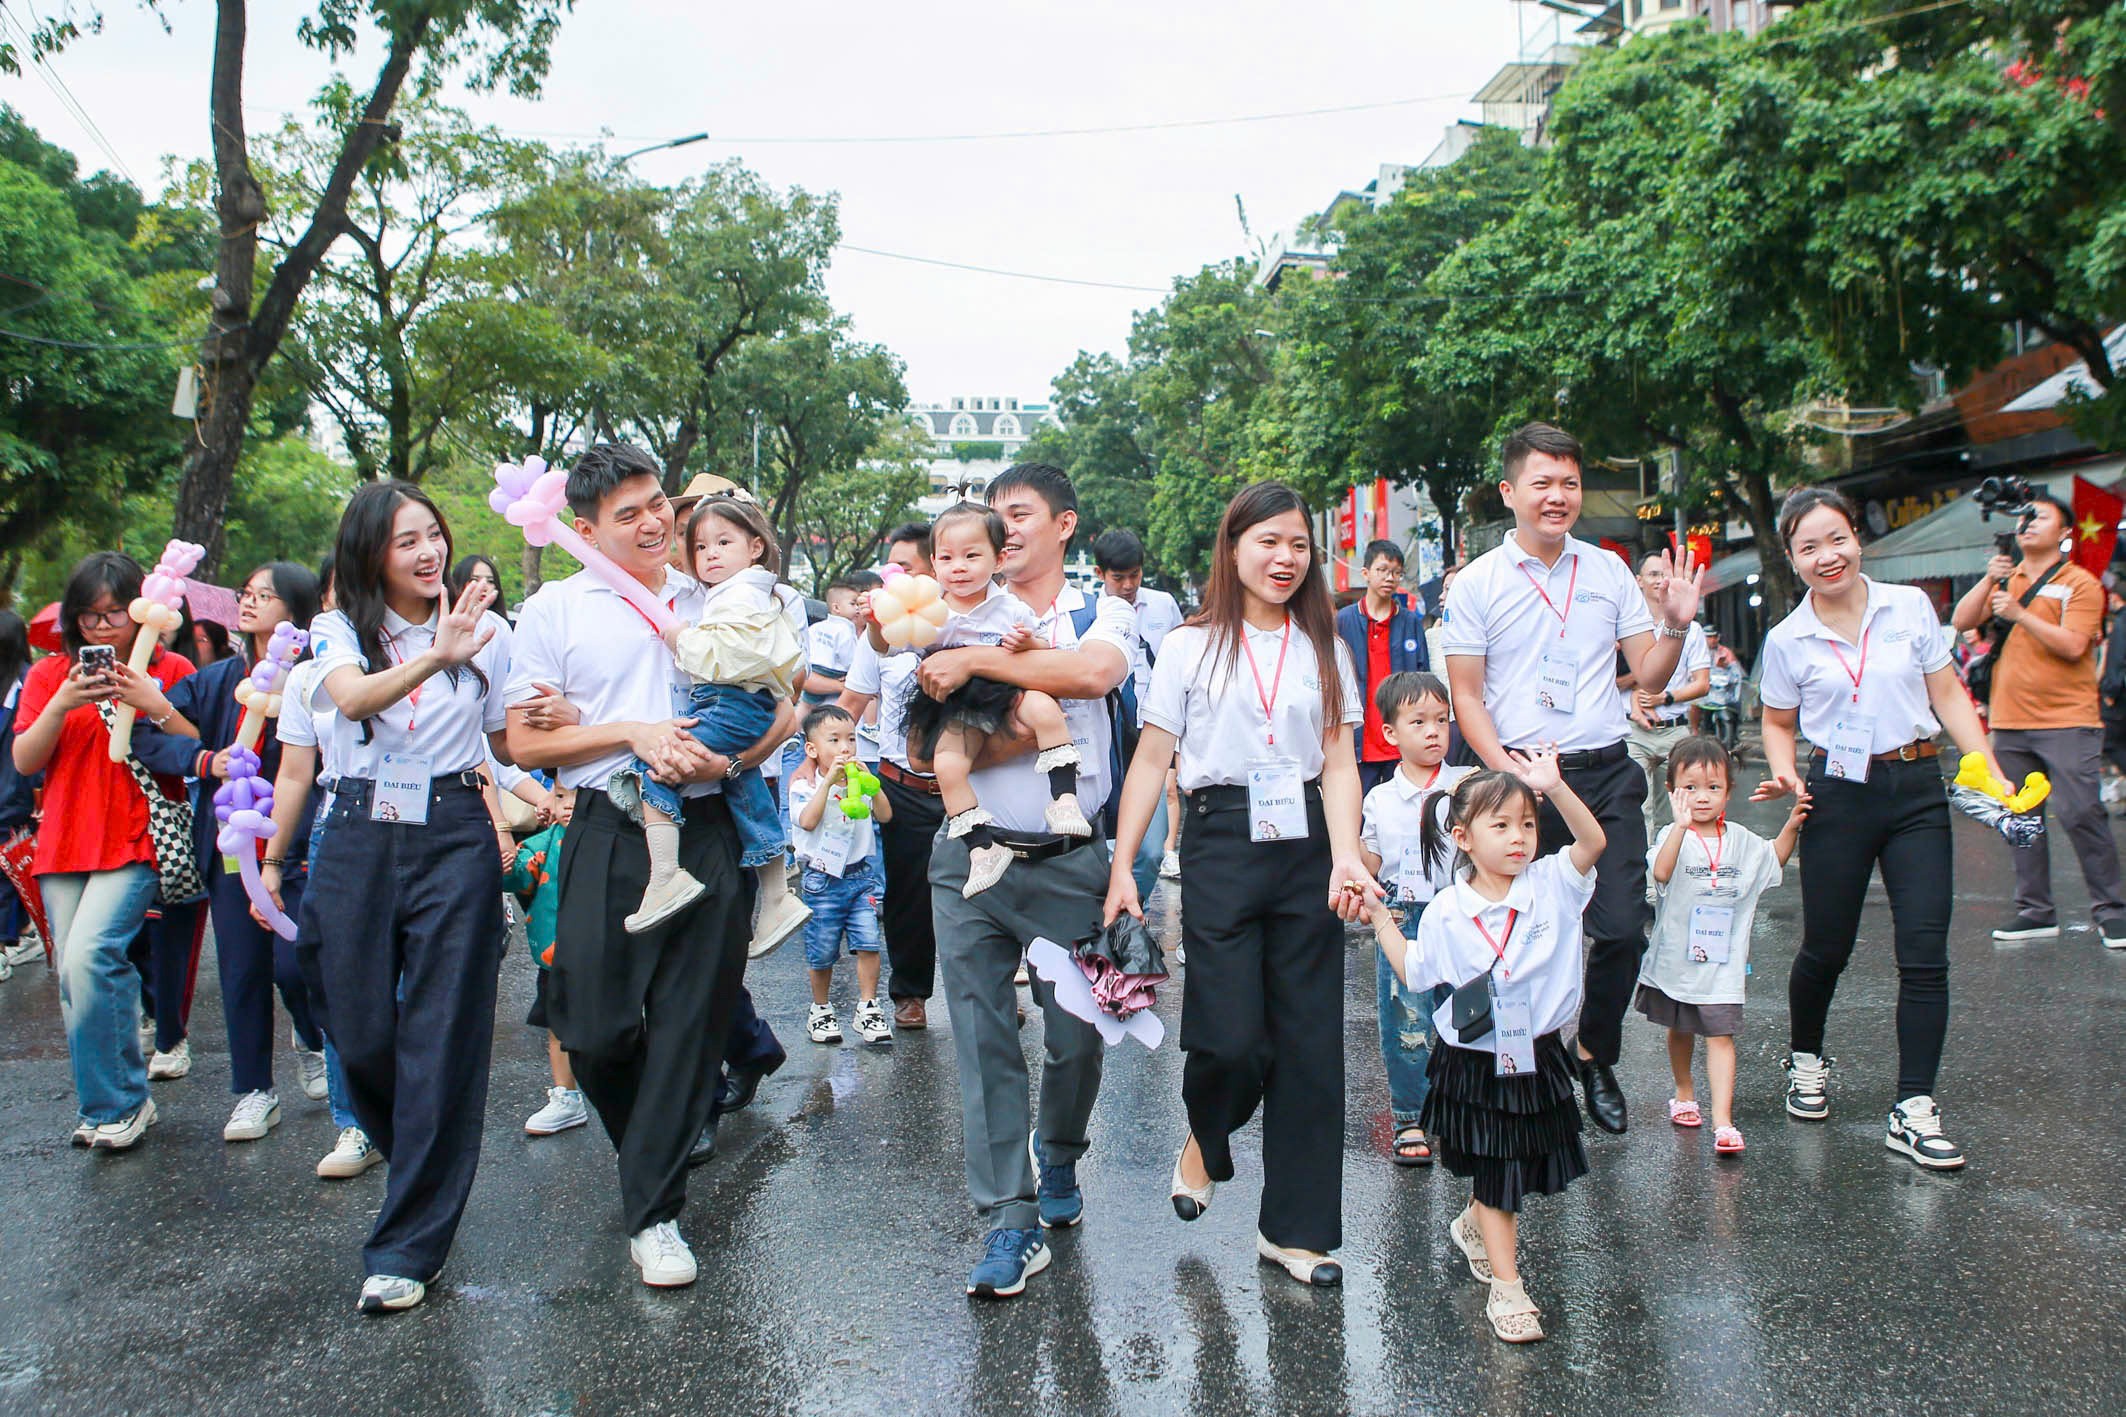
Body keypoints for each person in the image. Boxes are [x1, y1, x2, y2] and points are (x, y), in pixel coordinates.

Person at [505, 444, 793, 1291]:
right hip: (606, 823)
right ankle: (652, 1155)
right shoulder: (556, 608)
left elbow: (783, 707)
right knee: (590, 1024)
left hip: (708, 827)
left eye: (657, 501)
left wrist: (728, 764)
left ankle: (656, 1212)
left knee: (691, 1023)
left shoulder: (722, 591)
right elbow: (525, 741)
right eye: (627, 512)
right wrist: (628, 731)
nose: (653, 520)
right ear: (586, 530)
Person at [1106, 481, 1374, 1289]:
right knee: (1228, 1034)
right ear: (1233, 548)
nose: (1285, 558)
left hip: (1305, 839)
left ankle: (1295, 1231)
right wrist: (1124, 867)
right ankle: (1207, 1135)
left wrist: (1349, 853)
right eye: (1269, 542)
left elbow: (1337, 762)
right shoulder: (1188, 646)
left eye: (1298, 544)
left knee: (1307, 1043)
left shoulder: (1324, 645)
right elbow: (1152, 759)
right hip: (1221, 836)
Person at [1441, 423, 1703, 1135]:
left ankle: (1592, 1050)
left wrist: (1675, 627)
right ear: (1510, 491)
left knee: (1621, 928)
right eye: (1542, 482)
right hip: (1517, 782)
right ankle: (1516, 1070)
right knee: (1517, 936)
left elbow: (1648, 673)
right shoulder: (1478, 584)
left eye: (1569, 483)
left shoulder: (1609, 571)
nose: (1558, 497)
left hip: (1603, 772)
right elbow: (1467, 694)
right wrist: (1506, 778)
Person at [915, 462, 1133, 1299]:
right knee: (981, 1036)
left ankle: (1060, 1155)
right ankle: (1009, 1219)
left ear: (1061, 525)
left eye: (1017, 516)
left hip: (1070, 857)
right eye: (987, 520)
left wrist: (977, 664)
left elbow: (1089, 676)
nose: (998, 534)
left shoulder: (1095, 608)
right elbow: (920, 731)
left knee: (1078, 1033)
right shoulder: (943, 613)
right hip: (968, 858)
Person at [298, 480, 515, 1312]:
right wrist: (436, 653)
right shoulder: (335, 629)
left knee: (445, 1031)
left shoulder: (492, 632)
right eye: (405, 542)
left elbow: (503, 738)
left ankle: (407, 1245)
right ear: (369, 555)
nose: (429, 553)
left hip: (454, 822)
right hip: (357, 823)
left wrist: (562, 737)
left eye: (435, 535)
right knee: (357, 1029)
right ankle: (418, 1154)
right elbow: (352, 698)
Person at [1752, 485, 2004, 1171]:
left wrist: (1988, 768)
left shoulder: (1910, 606)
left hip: (1917, 788)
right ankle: (1806, 1057)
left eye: (1837, 538)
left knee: (1925, 951)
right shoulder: (1786, 638)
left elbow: (1947, 691)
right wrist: (1786, 773)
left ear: (1857, 537)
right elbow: (1778, 722)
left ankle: (1913, 1108)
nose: (1827, 556)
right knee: (1826, 946)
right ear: (1792, 557)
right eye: (1809, 547)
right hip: (1837, 792)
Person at [1368, 756, 1602, 1344]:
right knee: (1498, 1169)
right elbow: (1417, 972)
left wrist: (1555, 787)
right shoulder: (1448, 909)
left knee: (1522, 1162)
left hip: (1539, 1051)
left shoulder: (1553, 882)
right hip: (1474, 1059)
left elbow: (1593, 841)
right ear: (1462, 837)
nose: (1518, 838)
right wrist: (1378, 916)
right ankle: (1508, 1287)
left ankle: (1474, 1224)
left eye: (1526, 824)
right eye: (1500, 826)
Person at [133, 562, 333, 1144]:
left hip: (297, 843)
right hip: (231, 846)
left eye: (263, 596)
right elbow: (150, 737)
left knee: (295, 965)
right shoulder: (217, 678)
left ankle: (310, 1034)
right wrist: (206, 760)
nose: (248, 604)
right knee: (243, 968)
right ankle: (254, 1091)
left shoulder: (317, 678)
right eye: (245, 594)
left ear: (295, 611)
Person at [11, 552, 198, 1151]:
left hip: (136, 833)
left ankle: (123, 1102)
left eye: (114, 613)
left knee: (92, 956)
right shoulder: (49, 677)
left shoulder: (169, 665)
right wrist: (63, 703)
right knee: (74, 973)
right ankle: (102, 1104)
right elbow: (23, 762)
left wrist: (152, 699)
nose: (102, 629)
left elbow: (199, 749)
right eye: (89, 618)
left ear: (141, 608)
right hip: (64, 839)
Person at [606, 496, 806, 942]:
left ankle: (666, 876)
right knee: (744, 787)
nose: (710, 554)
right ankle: (777, 897)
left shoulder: (739, 596)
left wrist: (680, 638)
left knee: (658, 766)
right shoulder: (756, 592)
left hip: (729, 702)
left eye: (723, 541)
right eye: (699, 546)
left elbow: (728, 657)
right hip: (749, 705)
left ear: (755, 546)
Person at [1948, 492, 2126, 947]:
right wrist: (1990, 580)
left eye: (2040, 517)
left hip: (2068, 719)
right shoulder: (2005, 578)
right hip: (2010, 721)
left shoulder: (2081, 583)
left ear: (2066, 533)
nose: (2028, 523)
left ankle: (2112, 911)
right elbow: (1962, 619)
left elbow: (2072, 645)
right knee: (2021, 815)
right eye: (2024, 518)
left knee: (2081, 812)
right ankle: (2035, 910)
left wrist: (2020, 613)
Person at [891, 501, 1094, 896]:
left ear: (999, 560)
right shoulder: (933, 612)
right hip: (957, 704)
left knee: (1044, 709)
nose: (959, 567)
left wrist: (1026, 642)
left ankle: (1064, 797)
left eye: (972, 556)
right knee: (948, 766)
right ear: (933, 564)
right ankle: (980, 847)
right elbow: (893, 645)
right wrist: (878, 622)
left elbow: (1038, 647)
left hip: (1007, 689)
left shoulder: (1010, 606)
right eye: (947, 558)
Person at [256, 552, 381, 1181]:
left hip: (427, 820)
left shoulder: (422, 652)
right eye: (340, 588)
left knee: (412, 987)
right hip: (342, 825)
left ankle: (405, 1114)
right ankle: (353, 1123)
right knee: (338, 981)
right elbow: (295, 774)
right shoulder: (308, 678)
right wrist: (272, 863)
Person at [1639, 736, 1807, 1155]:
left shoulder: (1742, 841)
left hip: (1723, 966)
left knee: (1720, 1035)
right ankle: (1684, 1090)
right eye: (1690, 788)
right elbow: (1660, 872)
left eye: (1713, 788)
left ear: (1729, 791)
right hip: (1679, 962)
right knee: (1680, 1027)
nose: (1701, 797)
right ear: (1671, 791)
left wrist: (1791, 825)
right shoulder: (1670, 837)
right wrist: (1678, 827)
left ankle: (1723, 1121)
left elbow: (1772, 861)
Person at [1357, 671, 1473, 1167]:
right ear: (1390, 734)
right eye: (1419, 721)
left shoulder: (1466, 786)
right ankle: (1410, 1114)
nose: (1433, 732)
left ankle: (1466, 1107)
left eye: (1442, 721)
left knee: (1468, 1015)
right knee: (1407, 1018)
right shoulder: (1380, 799)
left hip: (1464, 915)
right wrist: (1345, 851)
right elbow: (1372, 863)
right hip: (1404, 917)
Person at [840, 522, 944, 1030]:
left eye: (905, 568)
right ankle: (910, 994)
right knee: (907, 894)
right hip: (903, 787)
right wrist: (823, 754)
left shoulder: (962, 627)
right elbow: (852, 703)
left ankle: (990, 989)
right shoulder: (878, 638)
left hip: (972, 786)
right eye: (890, 569)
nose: (892, 578)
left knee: (985, 891)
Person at [787, 705, 892, 1045]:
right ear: (812, 750)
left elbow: (886, 816)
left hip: (860, 875)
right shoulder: (804, 784)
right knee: (822, 949)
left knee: (868, 942)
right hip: (821, 878)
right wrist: (828, 783)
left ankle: (868, 1007)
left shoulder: (860, 783)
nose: (845, 747)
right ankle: (820, 1009)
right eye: (834, 740)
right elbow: (807, 821)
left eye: (850, 738)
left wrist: (871, 786)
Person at [1092, 529, 1184, 891]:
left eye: (1135, 575)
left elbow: (1183, 671)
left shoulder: (1162, 605)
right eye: (1119, 577)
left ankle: (1132, 915)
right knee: (1100, 846)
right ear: (1100, 574)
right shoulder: (1090, 611)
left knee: (1150, 851)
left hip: (1155, 736)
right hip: (1108, 738)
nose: (1129, 585)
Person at [1618, 553, 1711, 844]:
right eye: (1654, 574)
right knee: (1639, 810)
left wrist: (1664, 697)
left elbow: (1702, 684)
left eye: (1664, 574)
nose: (1660, 580)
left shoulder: (1690, 629)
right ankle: (1646, 888)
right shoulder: (1625, 627)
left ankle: (1681, 878)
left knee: (1682, 809)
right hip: (1634, 732)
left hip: (1675, 731)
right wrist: (1638, 685)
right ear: (1639, 581)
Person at [1337, 538, 1431, 793]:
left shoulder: (1411, 622)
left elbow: (1423, 678)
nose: (1390, 578)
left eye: (1396, 573)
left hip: (1401, 739)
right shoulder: (1343, 621)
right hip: (1359, 740)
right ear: (1366, 573)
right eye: (1382, 570)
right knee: (1359, 814)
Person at [0, 610, 36, 980]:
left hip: (14, 795)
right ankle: (19, 931)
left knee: (9, 865)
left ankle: (8, 940)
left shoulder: (28, 685)